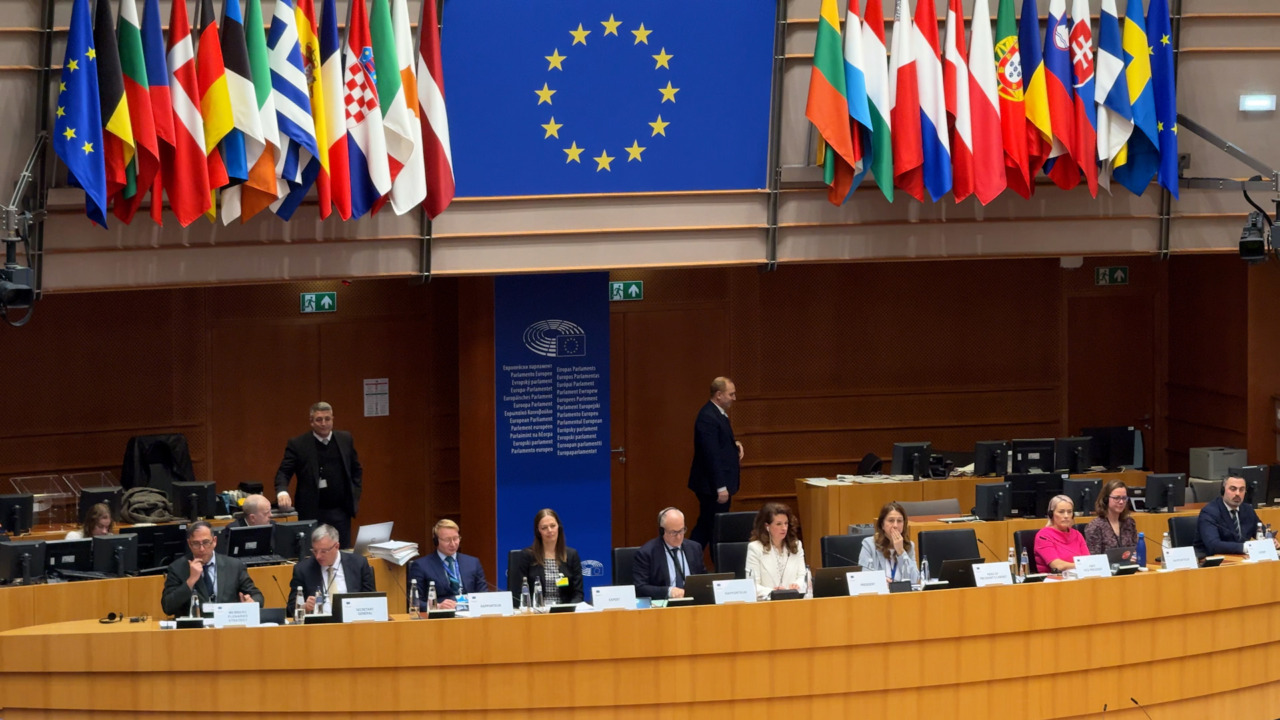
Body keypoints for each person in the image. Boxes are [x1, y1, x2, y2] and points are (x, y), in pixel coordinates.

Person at [274, 402, 363, 548]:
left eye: (327, 419)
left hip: (340, 511)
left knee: (342, 550)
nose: (324, 423)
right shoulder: (298, 444)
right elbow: (284, 472)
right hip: (312, 511)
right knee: (314, 551)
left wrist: (355, 494)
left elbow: (356, 469)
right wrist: (282, 492)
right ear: (311, 422)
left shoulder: (345, 439)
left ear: (332, 419)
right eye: (319, 419)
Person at [687, 377, 744, 552]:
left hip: (715, 484)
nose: (734, 398)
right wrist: (721, 487)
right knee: (713, 528)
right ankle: (694, 560)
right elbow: (710, 455)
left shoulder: (717, 413)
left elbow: (718, 442)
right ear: (719, 395)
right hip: (712, 486)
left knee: (707, 525)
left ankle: (686, 559)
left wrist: (735, 445)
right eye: (731, 394)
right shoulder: (708, 417)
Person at [160, 522, 263, 617]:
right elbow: (168, 607)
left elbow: (257, 595)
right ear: (189, 544)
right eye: (196, 544)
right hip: (195, 627)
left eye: (206, 542)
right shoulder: (177, 568)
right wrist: (190, 581)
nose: (201, 549)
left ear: (214, 541)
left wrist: (252, 602)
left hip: (226, 624)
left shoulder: (234, 566)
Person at [285, 524, 377, 617]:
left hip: (353, 621)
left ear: (336, 546)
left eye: (323, 551)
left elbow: (372, 601)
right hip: (319, 624)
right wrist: (304, 607)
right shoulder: (303, 570)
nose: (318, 556)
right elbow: (290, 609)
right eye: (315, 551)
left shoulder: (358, 564)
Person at [407, 519, 487, 611]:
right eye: (447, 540)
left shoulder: (473, 563)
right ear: (436, 541)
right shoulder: (421, 566)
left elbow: (483, 595)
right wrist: (438, 606)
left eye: (456, 538)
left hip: (469, 614)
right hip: (442, 616)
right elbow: (414, 602)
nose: (453, 544)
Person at [509, 509, 584, 606]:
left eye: (553, 526)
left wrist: (568, 609)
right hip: (537, 611)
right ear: (538, 531)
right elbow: (520, 592)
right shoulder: (527, 556)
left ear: (558, 527)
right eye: (544, 528)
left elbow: (578, 593)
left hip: (565, 611)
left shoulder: (571, 555)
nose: (549, 530)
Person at [633, 507, 708, 600]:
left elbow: (704, 579)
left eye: (681, 530)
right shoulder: (647, 553)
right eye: (673, 532)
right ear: (662, 531)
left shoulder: (694, 548)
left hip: (692, 602)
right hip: (664, 604)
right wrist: (669, 591)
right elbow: (640, 587)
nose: (679, 536)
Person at [1197, 475, 1279, 556]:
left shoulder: (1248, 509)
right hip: (1212, 560)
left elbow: (1261, 532)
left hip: (1240, 558)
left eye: (1241, 489)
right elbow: (1213, 545)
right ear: (1223, 490)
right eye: (1233, 489)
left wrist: (1272, 541)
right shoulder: (1209, 512)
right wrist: (1246, 547)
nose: (1237, 493)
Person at [744, 502, 807, 599]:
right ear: (767, 526)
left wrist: (796, 586)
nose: (784, 528)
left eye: (786, 523)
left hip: (793, 601)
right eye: (778, 524)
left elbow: (803, 577)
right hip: (768, 602)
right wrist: (774, 592)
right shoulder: (755, 548)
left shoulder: (796, 545)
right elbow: (752, 585)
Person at [857, 501, 921, 584]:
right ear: (882, 525)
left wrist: (901, 552)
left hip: (902, 591)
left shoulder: (909, 545)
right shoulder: (869, 544)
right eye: (891, 521)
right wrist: (880, 581)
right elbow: (864, 576)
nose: (895, 525)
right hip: (880, 591)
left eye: (899, 521)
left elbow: (914, 580)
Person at [1033, 495, 1091, 573]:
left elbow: (1088, 561)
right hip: (1053, 578)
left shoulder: (1077, 534)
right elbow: (1058, 566)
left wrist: (1086, 565)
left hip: (1079, 577)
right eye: (1061, 512)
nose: (1066, 516)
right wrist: (1082, 565)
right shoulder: (1043, 536)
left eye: (1069, 512)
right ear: (1051, 514)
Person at [1083, 480, 1138, 555]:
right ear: (1106, 499)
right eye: (1116, 498)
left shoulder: (1129, 523)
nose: (1121, 502)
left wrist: (1135, 556)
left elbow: (1135, 550)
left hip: (1128, 562)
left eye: (1124, 498)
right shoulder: (1095, 526)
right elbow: (1094, 557)